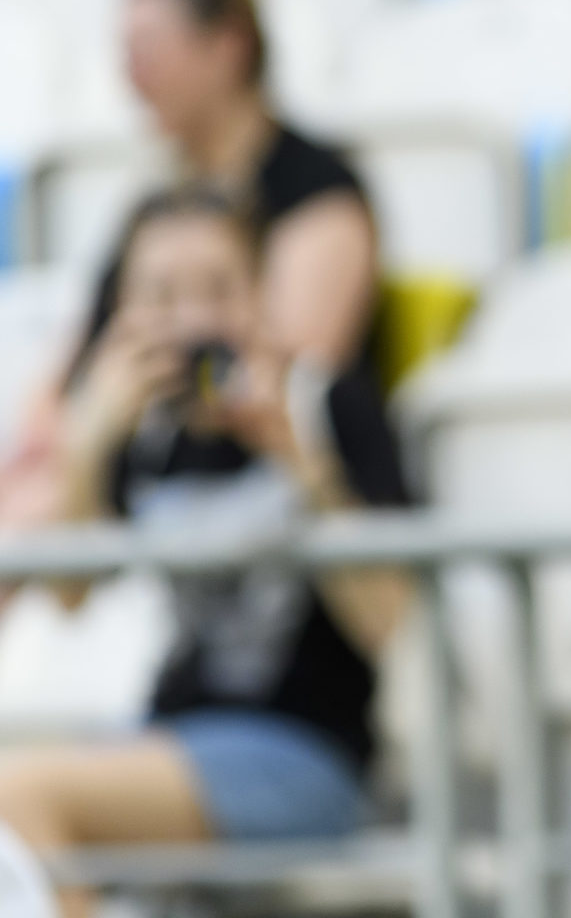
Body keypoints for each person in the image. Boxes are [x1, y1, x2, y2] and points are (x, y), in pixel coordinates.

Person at [0, 187, 411, 918]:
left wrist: (300, 463)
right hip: (170, 737)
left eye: (217, 289)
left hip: (308, 757)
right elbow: (68, 596)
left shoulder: (327, 403)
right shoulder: (143, 428)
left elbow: (392, 623)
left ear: (258, 294)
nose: (191, 320)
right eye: (160, 294)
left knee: (17, 791)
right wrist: (88, 442)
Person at [0, 0, 381, 532]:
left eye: (148, 48)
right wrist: (61, 439)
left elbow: (282, 380)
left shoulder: (317, 194)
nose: (130, 75)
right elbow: (73, 370)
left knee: (37, 516)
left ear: (226, 45)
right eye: (125, 52)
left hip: (257, 500)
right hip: (139, 483)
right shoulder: (158, 208)